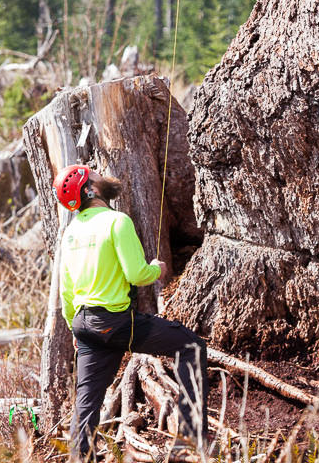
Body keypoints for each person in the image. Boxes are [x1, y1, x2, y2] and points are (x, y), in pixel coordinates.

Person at [54, 164, 208, 460]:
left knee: (86, 404)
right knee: (191, 346)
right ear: (91, 189)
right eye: (94, 174)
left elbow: (67, 292)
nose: (100, 174)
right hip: (116, 322)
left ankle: (79, 458)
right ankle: (189, 442)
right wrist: (157, 269)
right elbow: (137, 275)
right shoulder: (117, 222)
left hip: (84, 325)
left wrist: (75, 328)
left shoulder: (71, 233)